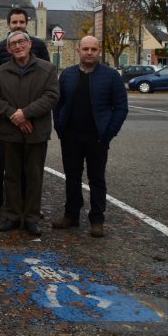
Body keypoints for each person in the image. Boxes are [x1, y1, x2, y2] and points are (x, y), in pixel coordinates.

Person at [52, 36, 128, 238]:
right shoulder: (67, 75)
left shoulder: (111, 76)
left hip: (97, 138)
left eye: (93, 49)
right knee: (72, 177)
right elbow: (58, 103)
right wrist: (59, 126)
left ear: (99, 51)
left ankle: (97, 219)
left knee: (96, 178)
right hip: (70, 136)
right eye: (85, 48)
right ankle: (71, 215)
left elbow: (121, 108)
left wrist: (109, 132)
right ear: (78, 50)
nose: (89, 52)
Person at [0, 30, 59, 236]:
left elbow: (52, 96)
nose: (18, 46)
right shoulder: (0, 72)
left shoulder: (47, 69)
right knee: (11, 176)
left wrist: (26, 114)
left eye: (22, 42)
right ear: (9, 49)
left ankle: (31, 218)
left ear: (29, 45)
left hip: (36, 132)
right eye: (13, 44)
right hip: (10, 133)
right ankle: (12, 216)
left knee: (34, 176)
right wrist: (14, 115)